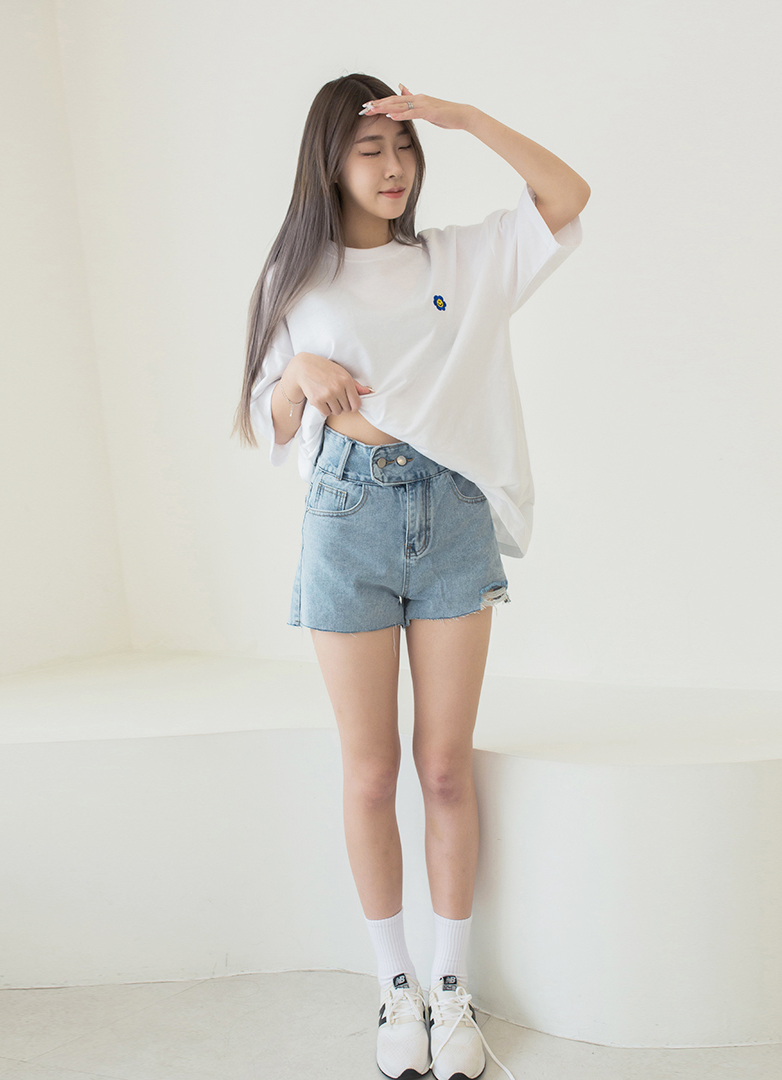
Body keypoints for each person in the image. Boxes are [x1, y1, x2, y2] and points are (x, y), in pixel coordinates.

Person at [231, 73, 588, 1080]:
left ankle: (450, 985)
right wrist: (297, 376)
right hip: (346, 518)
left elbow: (567, 195)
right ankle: (394, 986)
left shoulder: (460, 261)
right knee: (371, 770)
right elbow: (265, 420)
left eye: (403, 149)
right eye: (369, 150)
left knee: (443, 768)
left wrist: (464, 119)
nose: (393, 168)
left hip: (453, 517)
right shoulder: (293, 280)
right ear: (329, 163)